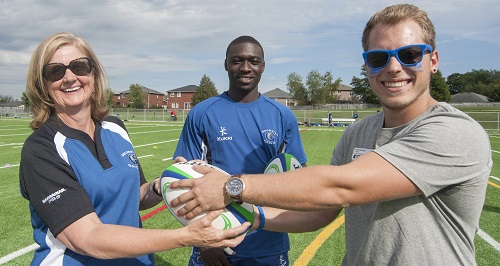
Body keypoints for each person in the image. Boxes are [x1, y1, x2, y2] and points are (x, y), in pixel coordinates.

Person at [169, 4, 492, 265]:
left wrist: (231, 187)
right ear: (367, 67)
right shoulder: (357, 134)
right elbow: (321, 210)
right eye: (378, 58)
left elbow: (340, 187)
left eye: (409, 54)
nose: (393, 67)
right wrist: (251, 219)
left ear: (432, 60)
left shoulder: (455, 132)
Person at [19, 32, 248, 266]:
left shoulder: (115, 128)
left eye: (79, 66)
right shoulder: (41, 149)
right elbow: (86, 238)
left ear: (94, 74)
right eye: (55, 71)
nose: (69, 78)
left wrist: (162, 185)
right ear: (43, 84)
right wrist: (185, 237)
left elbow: (136, 195)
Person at [172, 35, 307, 266]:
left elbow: (298, 179)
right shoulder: (202, 114)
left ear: (263, 66)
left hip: (268, 244)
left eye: (253, 61)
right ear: (226, 64)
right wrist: (205, 243)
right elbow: (184, 182)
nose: (245, 68)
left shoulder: (282, 115)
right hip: (215, 242)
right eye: (237, 60)